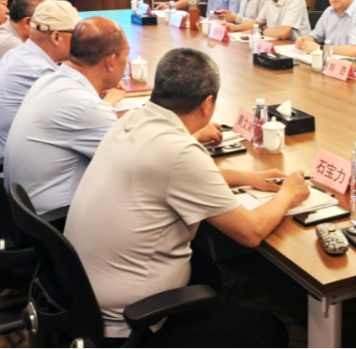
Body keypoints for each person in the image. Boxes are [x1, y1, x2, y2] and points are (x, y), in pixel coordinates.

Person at [64, 48, 309, 347]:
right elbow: (251, 232)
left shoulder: (133, 119)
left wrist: (248, 178)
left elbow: (175, 178)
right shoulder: (179, 152)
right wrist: (289, 194)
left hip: (82, 293)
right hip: (127, 322)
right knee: (268, 331)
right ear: (207, 104)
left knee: (207, 273)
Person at [3, 17, 128, 214]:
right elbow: (133, 166)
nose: (126, 63)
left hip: (24, 212)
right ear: (111, 61)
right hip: (56, 220)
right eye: (126, 56)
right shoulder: (87, 107)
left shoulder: (49, 80)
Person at [0, 0, 81, 161]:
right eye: (75, 35)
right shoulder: (40, 72)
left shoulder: (17, 54)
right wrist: (110, 97)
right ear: (56, 37)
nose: (78, 42)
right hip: (11, 163)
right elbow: (81, 119)